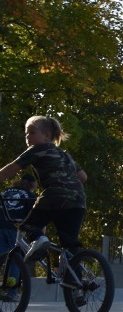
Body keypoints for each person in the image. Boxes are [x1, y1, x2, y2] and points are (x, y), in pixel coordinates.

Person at [0, 116, 87, 288]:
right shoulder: (65, 155)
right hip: (78, 199)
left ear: (47, 136)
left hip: (54, 195)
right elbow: (83, 177)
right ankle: (77, 286)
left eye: (32, 133)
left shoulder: (36, 149)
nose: (28, 137)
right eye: (26, 134)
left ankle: (39, 239)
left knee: (28, 226)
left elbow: (11, 169)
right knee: (69, 244)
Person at [0, 174, 37, 291]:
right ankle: (11, 292)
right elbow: (35, 218)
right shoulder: (30, 196)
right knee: (16, 259)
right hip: (14, 228)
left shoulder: (5, 192)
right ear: (32, 185)